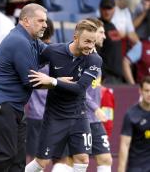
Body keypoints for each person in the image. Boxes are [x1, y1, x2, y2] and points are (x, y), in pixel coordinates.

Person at [25, 19, 102, 172]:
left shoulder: (94, 59)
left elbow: (80, 88)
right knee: (41, 162)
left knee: (83, 159)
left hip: (78, 116)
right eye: (87, 41)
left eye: (93, 42)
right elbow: (29, 66)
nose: (90, 46)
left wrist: (53, 81)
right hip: (54, 116)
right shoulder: (53, 51)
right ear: (75, 37)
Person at [0, 3, 47, 172]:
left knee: (18, 161)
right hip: (1, 104)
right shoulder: (19, 41)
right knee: (5, 155)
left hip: (14, 106)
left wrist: (72, 50)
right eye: (40, 21)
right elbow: (31, 80)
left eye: (45, 21)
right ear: (26, 21)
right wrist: (57, 82)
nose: (45, 25)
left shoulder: (32, 41)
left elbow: (50, 52)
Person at [51, 18, 113, 172]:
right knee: (73, 160)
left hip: (93, 118)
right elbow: (78, 88)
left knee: (105, 158)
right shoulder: (80, 57)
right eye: (101, 32)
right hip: (79, 114)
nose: (104, 36)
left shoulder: (96, 59)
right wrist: (95, 107)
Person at [25, 17, 54, 161]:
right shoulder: (58, 54)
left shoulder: (30, 53)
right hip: (53, 115)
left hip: (35, 116)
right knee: (61, 160)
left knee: (35, 159)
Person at [117, 75, 150, 172]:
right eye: (146, 90)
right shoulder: (131, 114)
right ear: (140, 91)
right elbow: (124, 145)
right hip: (136, 167)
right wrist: (121, 169)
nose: (149, 94)